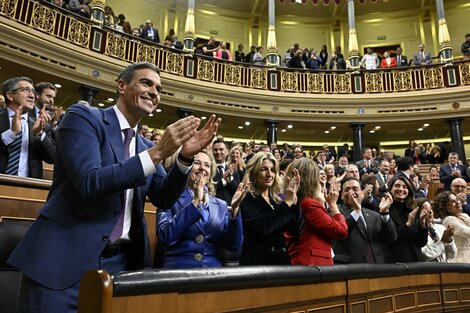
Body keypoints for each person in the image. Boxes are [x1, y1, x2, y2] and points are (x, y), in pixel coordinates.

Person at [8, 62, 220, 313]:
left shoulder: (143, 146)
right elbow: (90, 182)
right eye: (146, 83)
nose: (154, 92)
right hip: (64, 262)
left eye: (159, 89)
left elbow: (163, 197)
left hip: (121, 266)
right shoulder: (84, 117)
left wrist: (184, 158)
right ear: (121, 85)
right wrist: (159, 152)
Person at [156, 151, 244, 268]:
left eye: (207, 165)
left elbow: (233, 246)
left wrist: (235, 210)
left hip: (211, 275)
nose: (202, 168)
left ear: (211, 173)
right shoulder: (168, 198)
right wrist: (195, 203)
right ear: (187, 168)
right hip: (177, 273)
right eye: (197, 163)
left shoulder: (221, 205)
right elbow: (165, 236)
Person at [239, 152, 302, 265]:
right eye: (264, 169)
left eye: (273, 170)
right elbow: (263, 227)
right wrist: (287, 202)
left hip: (281, 264)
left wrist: (294, 201)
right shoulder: (246, 198)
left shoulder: (277, 201)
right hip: (257, 266)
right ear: (253, 173)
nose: (269, 174)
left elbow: (295, 230)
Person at [285, 157, 347, 265]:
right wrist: (333, 205)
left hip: (303, 262)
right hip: (313, 265)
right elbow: (341, 231)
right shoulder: (309, 204)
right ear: (311, 179)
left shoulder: (296, 202)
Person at [1, 77, 55, 178]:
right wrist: (11, 133)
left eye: (33, 91)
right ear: (10, 95)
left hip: (28, 188)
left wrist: (39, 134)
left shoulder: (41, 125)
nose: (32, 95)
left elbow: (52, 158)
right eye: (26, 90)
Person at [334, 177, 396, 264]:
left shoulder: (374, 215)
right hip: (350, 267)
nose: (351, 192)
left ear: (362, 193)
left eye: (355, 189)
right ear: (341, 195)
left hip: (378, 266)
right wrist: (356, 211)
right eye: (347, 189)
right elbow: (340, 232)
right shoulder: (335, 212)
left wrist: (384, 213)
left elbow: (391, 238)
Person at [381, 176, 428, 263]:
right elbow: (389, 239)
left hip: (416, 261)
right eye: (397, 186)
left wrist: (422, 224)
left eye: (405, 187)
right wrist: (407, 225)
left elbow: (421, 243)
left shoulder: (414, 209)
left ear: (409, 191)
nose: (401, 189)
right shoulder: (383, 210)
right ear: (390, 189)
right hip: (395, 262)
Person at [435, 192, 470, 263]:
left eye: (457, 199)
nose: (458, 202)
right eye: (452, 202)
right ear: (445, 206)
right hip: (461, 258)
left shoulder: (463, 216)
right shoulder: (448, 220)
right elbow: (467, 232)